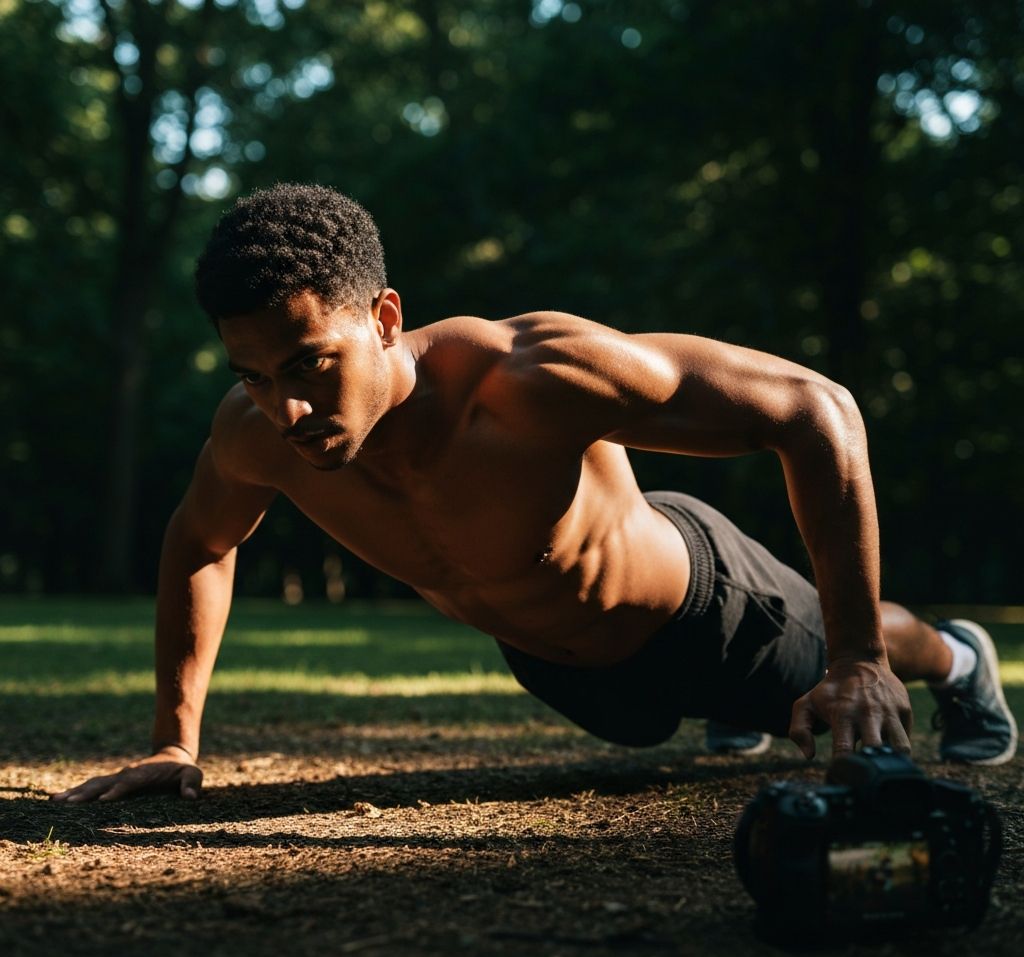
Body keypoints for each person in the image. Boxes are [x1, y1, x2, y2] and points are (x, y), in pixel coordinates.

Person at [52, 184, 1017, 804]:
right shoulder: (256, 432)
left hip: (706, 610)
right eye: (255, 375)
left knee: (831, 673)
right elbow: (198, 541)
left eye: (311, 362)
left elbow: (818, 409)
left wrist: (853, 658)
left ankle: (955, 658)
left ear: (387, 319)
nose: (289, 406)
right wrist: (175, 743)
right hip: (567, 673)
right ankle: (734, 707)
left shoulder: (528, 379)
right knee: (662, 722)